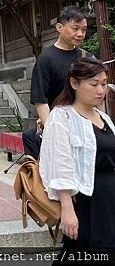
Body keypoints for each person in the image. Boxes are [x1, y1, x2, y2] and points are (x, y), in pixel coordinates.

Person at [39, 58, 115, 252]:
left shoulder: (103, 117)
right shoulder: (62, 117)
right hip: (85, 199)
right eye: (94, 84)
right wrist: (67, 209)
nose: (101, 90)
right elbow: (60, 163)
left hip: (109, 197)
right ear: (74, 83)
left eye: (104, 84)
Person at [25, 6, 89, 159]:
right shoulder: (46, 60)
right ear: (59, 27)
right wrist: (52, 133)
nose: (80, 34)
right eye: (75, 28)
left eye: (84, 30)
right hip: (60, 126)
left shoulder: (86, 58)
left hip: (85, 126)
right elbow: (41, 100)